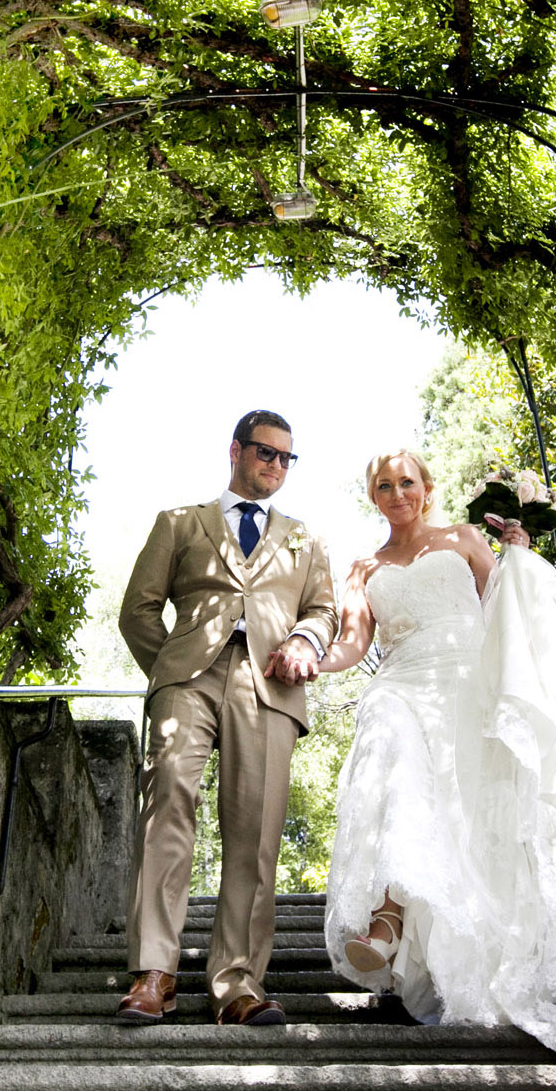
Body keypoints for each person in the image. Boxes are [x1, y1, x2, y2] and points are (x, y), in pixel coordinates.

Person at [316, 449, 556, 1060]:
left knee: (458, 812)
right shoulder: (361, 568)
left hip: (464, 684)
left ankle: (436, 936)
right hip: (399, 682)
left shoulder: (460, 538)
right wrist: (309, 663)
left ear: (426, 489)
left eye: (408, 482)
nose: (398, 492)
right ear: (373, 497)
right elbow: (353, 643)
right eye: (385, 485)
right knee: (387, 755)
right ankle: (385, 921)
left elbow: (502, 604)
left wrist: (519, 548)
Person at [115, 410, 338, 1027]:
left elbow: (325, 610)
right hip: (186, 677)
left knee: (256, 831)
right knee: (165, 805)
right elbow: (137, 610)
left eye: (287, 458)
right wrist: (170, 672)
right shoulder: (180, 524)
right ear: (235, 450)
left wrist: (303, 642)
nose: (276, 466)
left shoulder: (306, 538)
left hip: (269, 684)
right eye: (266, 453)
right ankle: (154, 974)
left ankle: (236, 983)